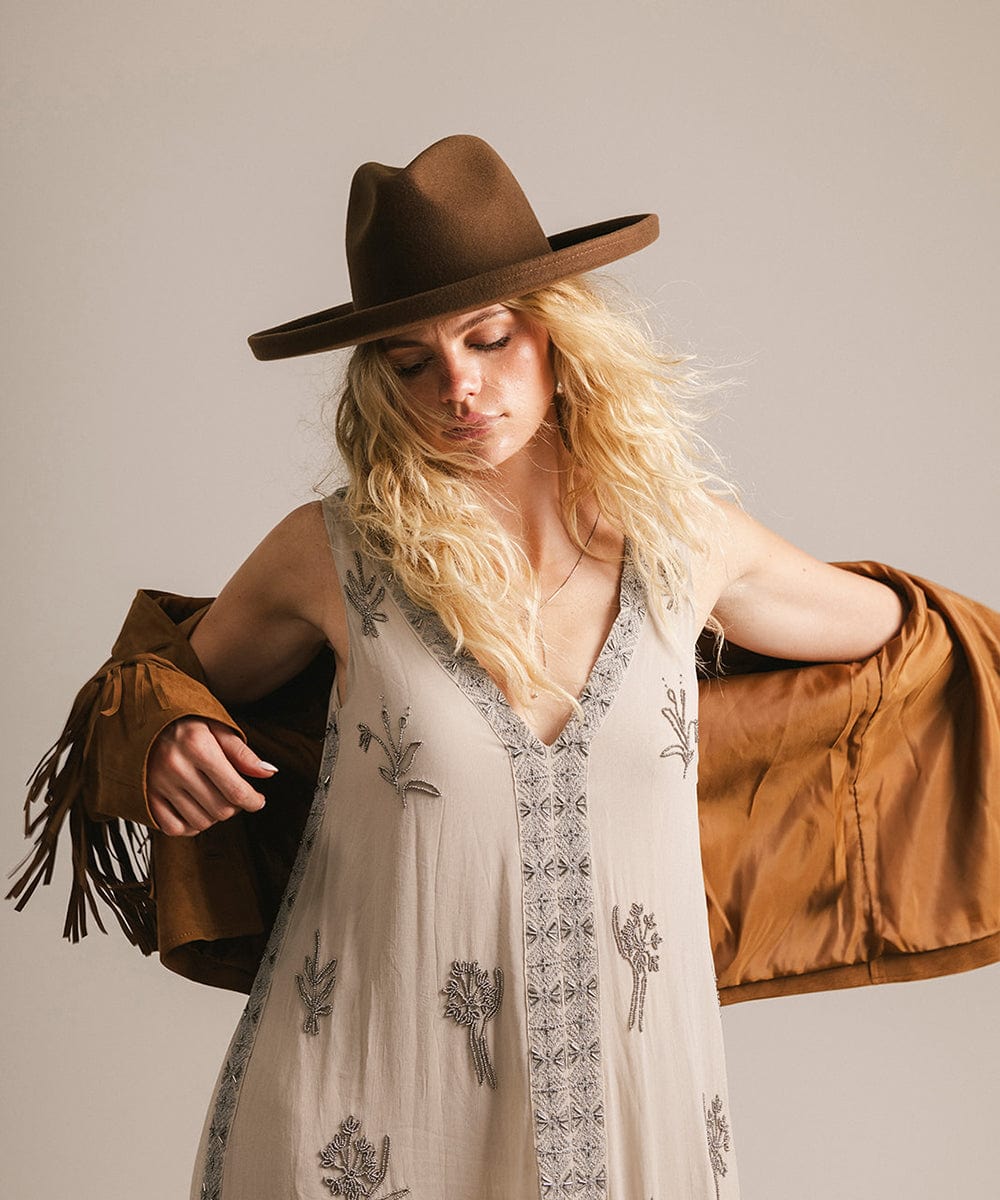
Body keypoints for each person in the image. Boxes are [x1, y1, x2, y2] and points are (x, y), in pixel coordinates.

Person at [12, 134, 999, 1199]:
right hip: (363, 1120)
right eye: (408, 360)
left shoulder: (690, 544)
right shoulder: (329, 553)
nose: (458, 387)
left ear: (560, 341)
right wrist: (166, 729)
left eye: (489, 339)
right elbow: (152, 685)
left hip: (636, 1121)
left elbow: (914, 646)